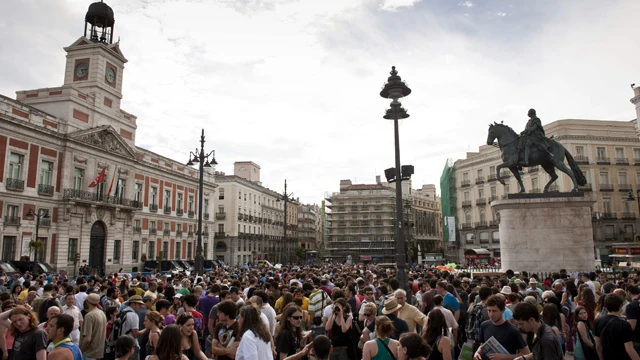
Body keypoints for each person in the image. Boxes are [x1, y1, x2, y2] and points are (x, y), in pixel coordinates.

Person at [473, 295, 530, 360]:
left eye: (494, 311)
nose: (491, 314)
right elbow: (483, 345)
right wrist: (477, 353)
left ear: (502, 310)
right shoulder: (484, 325)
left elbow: (526, 354)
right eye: (489, 310)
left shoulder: (513, 330)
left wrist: (503, 357)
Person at [594, 294, 640, 360]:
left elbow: (598, 345)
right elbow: (629, 349)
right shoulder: (624, 324)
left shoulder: (598, 321)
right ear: (620, 306)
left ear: (606, 307)